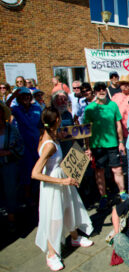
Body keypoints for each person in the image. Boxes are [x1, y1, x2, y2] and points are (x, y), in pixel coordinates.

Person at [32, 107, 93, 272]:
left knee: (69, 208)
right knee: (54, 217)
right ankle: (51, 254)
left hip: (61, 179)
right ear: (57, 120)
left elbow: (82, 131)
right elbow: (35, 174)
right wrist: (62, 180)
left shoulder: (51, 134)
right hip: (54, 184)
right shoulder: (49, 145)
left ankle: (74, 237)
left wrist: (85, 149)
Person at [84, 82, 128, 207]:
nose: (101, 91)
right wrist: (88, 148)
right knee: (99, 172)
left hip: (113, 144)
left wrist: (120, 142)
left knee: (117, 169)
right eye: (98, 89)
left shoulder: (113, 105)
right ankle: (103, 196)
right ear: (95, 92)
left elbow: (118, 124)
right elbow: (87, 129)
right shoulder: (90, 108)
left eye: (103, 89)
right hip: (97, 146)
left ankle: (122, 193)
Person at [8, 87, 42, 204]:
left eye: (28, 95)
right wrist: (12, 96)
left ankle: (40, 195)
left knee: (40, 169)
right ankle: (28, 198)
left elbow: (43, 123)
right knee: (26, 171)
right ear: (19, 98)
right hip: (24, 145)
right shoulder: (16, 109)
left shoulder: (37, 108)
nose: (26, 98)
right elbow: (5, 110)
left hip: (37, 143)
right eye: (23, 96)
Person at [0, 103, 24, 231]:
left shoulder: (11, 129)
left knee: (10, 191)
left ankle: (11, 219)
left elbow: (20, 145)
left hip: (9, 164)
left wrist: (8, 152)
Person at [51, 90, 74, 157]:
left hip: (68, 149)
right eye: (60, 99)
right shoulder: (50, 114)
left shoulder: (68, 114)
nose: (63, 102)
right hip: (56, 150)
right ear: (54, 101)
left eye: (65, 99)